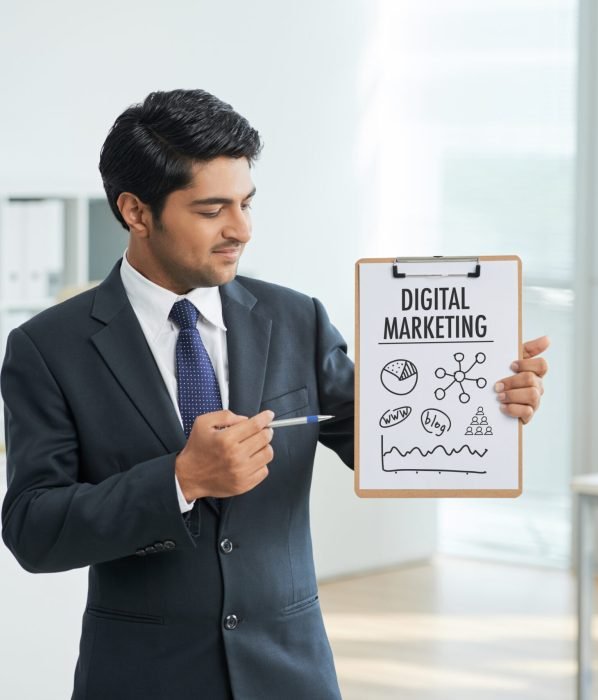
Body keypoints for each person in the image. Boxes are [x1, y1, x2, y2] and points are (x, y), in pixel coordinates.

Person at [0, 89, 549, 699]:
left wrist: (486, 405)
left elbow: (389, 444)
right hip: (141, 677)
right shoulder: (47, 348)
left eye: (246, 203)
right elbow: (33, 528)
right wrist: (180, 480)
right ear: (135, 211)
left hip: (291, 672)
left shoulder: (297, 319)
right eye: (212, 210)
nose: (241, 229)